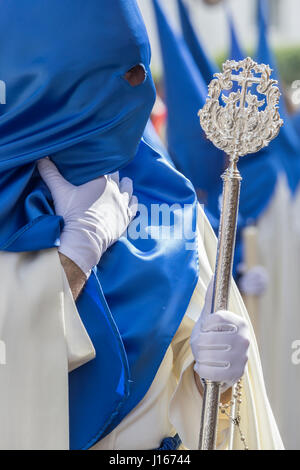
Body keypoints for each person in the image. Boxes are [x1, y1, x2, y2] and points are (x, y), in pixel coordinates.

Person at [0, 0, 283, 450]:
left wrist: (224, 381)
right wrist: (74, 256)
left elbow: (195, 406)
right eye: (111, 74)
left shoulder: (171, 210)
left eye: (140, 70)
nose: (138, 91)